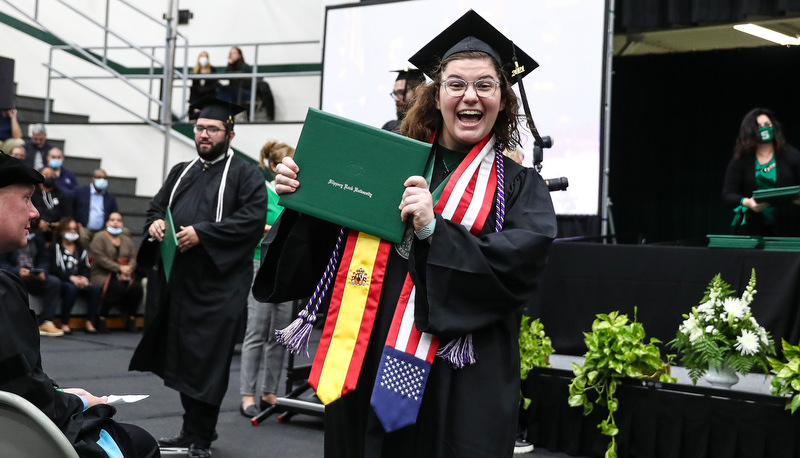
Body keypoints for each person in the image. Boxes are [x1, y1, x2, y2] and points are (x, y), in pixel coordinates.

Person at [254, 10, 556, 458]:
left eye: (485, 85)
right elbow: (330, 242)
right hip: (369, 355)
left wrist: (436, 230)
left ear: (502, 99)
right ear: (436, 97)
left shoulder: (518, 185)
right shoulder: (391, 161)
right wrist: (305, 198)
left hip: (461, 372)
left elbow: (519, 265)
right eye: (456, 84)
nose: (469, 96)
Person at [130, 97, 267, 458]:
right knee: (183, 357)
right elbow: (157, 207)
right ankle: (190, 430)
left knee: (208, 358)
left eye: (212, 129)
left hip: (218, 287)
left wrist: (203, 233)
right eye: (200, 128)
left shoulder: (246, 174)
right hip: (179, 283)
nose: (204, 135)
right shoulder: (181, 170)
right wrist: (156, 224)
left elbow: (251, 220)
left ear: (230, 133)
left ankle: (202, 436)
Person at [0, 152, 160, 457]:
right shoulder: (3, 291)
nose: (34, 213)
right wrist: (83, 402)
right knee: (139, 442)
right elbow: (21, 397)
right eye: (26, 199)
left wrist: (60, 392)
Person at [239, 140, 295, 418]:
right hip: (261, 263)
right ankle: (247, 395)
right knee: (257, 332)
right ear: (273, 167)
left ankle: (269, 392)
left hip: (286, 266)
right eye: (286, 164)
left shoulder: (296, 193)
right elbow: (250, 224)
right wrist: (273, 229)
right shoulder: (260, 191)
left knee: (281, 334)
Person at [722, 107, 800, 236]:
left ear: (774, 127)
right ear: (750, 131)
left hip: (789, 229)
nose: (763, 128)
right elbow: (728, 195)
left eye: (767, 124)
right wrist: (748, 202)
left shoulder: (792, 155)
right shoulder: (741, 159)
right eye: (758, 126)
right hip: (753, 231)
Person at [0, 219, 63, 337]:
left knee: (54, 282)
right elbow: (2, 262)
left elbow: (44, 258)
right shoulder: (8, 236)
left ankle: (45, 321)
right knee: (8, 280)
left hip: (33, 274)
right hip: (14, 275)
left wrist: (41, 270)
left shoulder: (38, 238)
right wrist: (18, 271)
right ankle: (14, 325)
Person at [89, 212, 143, 334]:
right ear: (107, 222)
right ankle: (101, 318)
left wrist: (128, 269)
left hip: (124, 274)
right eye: (112, 220)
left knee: (137, 288)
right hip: (102, 274)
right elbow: (99, 257)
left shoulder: (126, 239)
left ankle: (131, 318)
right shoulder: (99, 237)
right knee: (116, 287)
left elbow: (133, 257)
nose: (115, 222)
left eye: (118, 220)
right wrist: (119, 268)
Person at [49, 216, 101, 334]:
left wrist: (84, 278)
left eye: (74, 229)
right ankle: (65, 323)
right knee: (70, 288)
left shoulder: (80, 248)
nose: (72, 232)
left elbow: (85, 267)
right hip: (62, 280)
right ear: (61, 232)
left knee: (95, 289)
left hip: (78, 280)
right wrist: (70, 277)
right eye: (69, 229)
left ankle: (90, 322)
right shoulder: (55, 247)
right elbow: (53, 268)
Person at [73, 168, 120, 246]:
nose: (102, 180)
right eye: (99, 177)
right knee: (83, 236)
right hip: (84, 228)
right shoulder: (81, 192)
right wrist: (75, 222)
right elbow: (71, 208)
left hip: (102, 230)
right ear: (93, 179)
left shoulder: (110, 197)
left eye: (104, 178)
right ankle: (87, 257)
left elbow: (115, 213)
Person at [32, 166, 73, 242]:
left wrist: (60, 224)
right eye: (46, 174)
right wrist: (38, 222)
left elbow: (67, 214)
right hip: (36, 230)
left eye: (52, 175)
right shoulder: (32, 193)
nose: (49, 177)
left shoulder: (62, 195)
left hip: (56, 232)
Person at [382, 68, 426, 133]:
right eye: (395, 93)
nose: (396, 99)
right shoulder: (390, 128)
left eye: (401, 92)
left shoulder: (432, 126)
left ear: (419, 92)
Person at [188, 51, 221, 120]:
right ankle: (195, 111)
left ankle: (202, 110)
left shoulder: (212, 69)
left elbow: (214, 83)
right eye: (202, 56)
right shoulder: (195, 70)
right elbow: (194, 84)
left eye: (205, 57)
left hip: (209, 92)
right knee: (194, 94)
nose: (203, 59)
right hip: (197, 92)